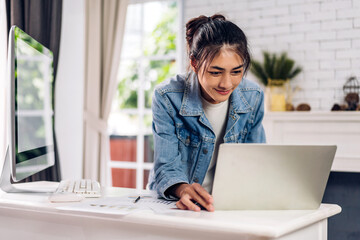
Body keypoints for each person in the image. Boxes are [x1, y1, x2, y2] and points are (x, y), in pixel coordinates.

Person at [148, 14, 266, 212]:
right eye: (215, 72)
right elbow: (165, 167)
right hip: (180, 206)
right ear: (194, 63)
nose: (227, 84)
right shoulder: (167, 97)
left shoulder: (253, 96)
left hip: (229, 206)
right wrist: (183, 189)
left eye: (236, 72)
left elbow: (257, 160)